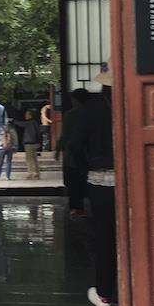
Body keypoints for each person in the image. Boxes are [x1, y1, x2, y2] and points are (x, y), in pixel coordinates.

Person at [73, 64, 115, 306]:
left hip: (100, 182)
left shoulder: (91, 110)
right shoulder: (136, 102)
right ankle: (131, 294)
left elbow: (76, 146)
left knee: (104, 238)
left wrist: (85, 170)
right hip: (134, 182)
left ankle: (104, 294)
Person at [56, 89, 90, 218]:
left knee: (73, 182)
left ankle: (76, 207)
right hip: (88, 152)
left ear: (75, 100)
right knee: (83, 180)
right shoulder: (91, 114)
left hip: (72, 152)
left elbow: (65, 135)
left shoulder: (70, 115)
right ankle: (85, 205)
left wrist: (59, 149)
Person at [14, 109, 41, 180]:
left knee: (29, 159)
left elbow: (20, 123)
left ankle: (31, 173)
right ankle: (36, 173)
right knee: (34, 159)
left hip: (29, 143)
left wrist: (13, 121)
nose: (25, 115)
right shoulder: (35, 122)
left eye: (27, 114)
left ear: (30, 115)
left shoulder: (29, 123)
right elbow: (38, 133)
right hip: (35, 143)